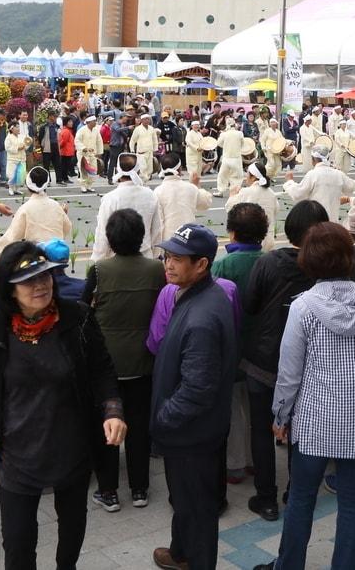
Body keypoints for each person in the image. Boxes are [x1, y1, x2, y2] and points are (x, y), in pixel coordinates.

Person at [255, 223, 355, 570]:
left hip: (314, 420)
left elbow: (289, 373)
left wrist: (280, 416)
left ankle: (289, 565)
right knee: (352, 502)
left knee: (302, 499)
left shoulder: (303, 308)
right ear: (349, 258)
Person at [0, 241, 126, 570]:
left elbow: (102, 369)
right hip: (18, 455)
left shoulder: (77, 318)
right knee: (17, 544)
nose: (41, 285)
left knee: (71, 530)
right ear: (10, 288)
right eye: (29, 280)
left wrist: (113, 410)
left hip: (70, 448)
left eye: (45, 276)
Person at [149, 223, 237, 570]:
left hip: (190, 434)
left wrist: (162, 419)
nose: (168, 264)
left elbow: (197, 389)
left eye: (178, 259)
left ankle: (195, 560)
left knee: (198, 508)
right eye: (166, 256)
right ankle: (180, 552)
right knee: (185, 501)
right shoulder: (199, 293)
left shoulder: (202, 315)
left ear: (201, 265)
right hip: (190, 431)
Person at [240, 201, 325, 522]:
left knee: (262, 430)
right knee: (300, 430)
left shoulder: (268, 263)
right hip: (306, 364)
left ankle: (266, 499)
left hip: (262, 361)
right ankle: (296, 492)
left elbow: (250, 305)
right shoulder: (322, 268)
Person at [84, 208, 167, 510]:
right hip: (144, 361)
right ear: (141, 236)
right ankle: (140, 489)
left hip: (107, 366)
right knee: (139, 426)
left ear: (109, 238)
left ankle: (108, 491)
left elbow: (84, 312)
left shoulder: (99, 270)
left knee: (105, 426)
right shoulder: (157, 270)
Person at [210, 202, 270, 485]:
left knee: (233, 407)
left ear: (231, 233)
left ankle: (235, 464)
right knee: (257, 407)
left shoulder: (223, 265)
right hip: (263, 348)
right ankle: (255, 459)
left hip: (233, 348)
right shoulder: (269, 261)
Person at [0, 166, 72, 257]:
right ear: (46, 184)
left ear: (28, 185)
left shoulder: (25, 208)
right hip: (57, 254)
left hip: (37, 257)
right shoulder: (56, 206)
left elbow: (12, 236)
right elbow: (67, 228)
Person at [93, 153, 163, 260]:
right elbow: (157, 230)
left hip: (116, 259)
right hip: (144, 257)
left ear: (117, 171)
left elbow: (102, 234)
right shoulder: (150, 195)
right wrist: (154, 256)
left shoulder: (110, 198)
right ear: (138, 171)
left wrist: (99, 260)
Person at [282, 148, 355, 222]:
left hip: (316, 220)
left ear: (313, 160)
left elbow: (297, 194)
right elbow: (351, 187)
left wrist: (289, 181)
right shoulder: (338, 174)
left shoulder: (312, 174)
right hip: (333, 221)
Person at [154, 153, 214, 242]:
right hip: (188, 236)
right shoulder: (190, 188)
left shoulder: (157, 191)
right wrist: (196, 185)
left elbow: (158, 222)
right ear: (180, 168)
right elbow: (206, 203)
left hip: (168, 239)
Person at [226, 163, 278, 252]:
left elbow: (231, 209)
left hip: (251, 241)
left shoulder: (246, 192)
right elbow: (276, 209)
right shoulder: (271, 193)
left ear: (253, 177)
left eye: (247, 174)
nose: (246, 177)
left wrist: (232, 195)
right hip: (269, 239)